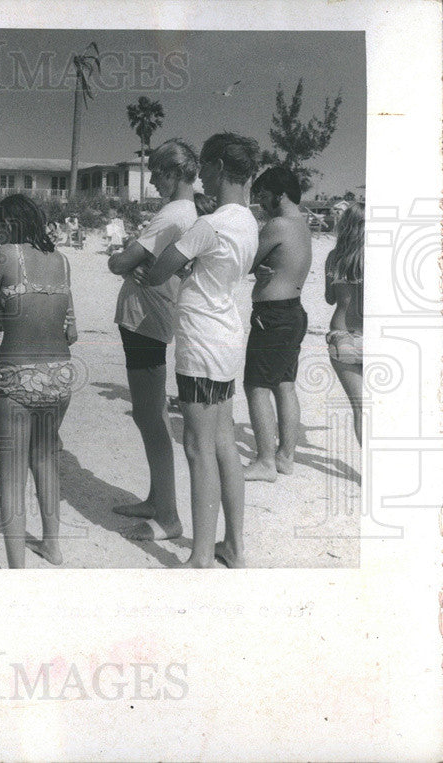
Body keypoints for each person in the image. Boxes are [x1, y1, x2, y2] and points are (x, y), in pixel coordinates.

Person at [138, 133, 260, 568]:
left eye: (206, 166)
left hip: (203, 338)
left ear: (222, 168)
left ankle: (202, 556)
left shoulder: (213, 223)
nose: (201, 175)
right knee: (224, 443)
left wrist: (175, 260)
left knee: (197, 447)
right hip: (227, 332)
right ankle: (234, 547)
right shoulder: (245, 220)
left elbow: (157, 271)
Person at [107, 139, 200, 541]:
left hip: (146, 319)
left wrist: (127, 257)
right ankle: (156, 499)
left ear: (175, 173)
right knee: (152, 413)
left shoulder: (173, 213)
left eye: (158, 174)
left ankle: (168, 516)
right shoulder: (188, 212)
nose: (153, 182)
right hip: (153, 316)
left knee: (150, 417)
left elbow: (120, 261)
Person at [0, 194, 77, 568]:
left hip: (17, 372)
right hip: (60, 373)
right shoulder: (63, 261)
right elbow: (72, 331)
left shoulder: (6, 255)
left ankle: (17, 568)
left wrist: (5, 316)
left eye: (1, 223)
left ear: (12, 223)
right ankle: (52, 545)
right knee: (46, 458)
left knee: (12, 473)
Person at [243, 167, 313, 481]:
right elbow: (270, 263)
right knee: (284, 386)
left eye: (263, 196)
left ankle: (265, 462)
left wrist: (253, 269)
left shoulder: (277, 225)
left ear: (279, 195)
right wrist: (258, 270)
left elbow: (243, 261)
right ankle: (285, 456)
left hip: (273, 316)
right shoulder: (302, 225)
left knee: (256, 386)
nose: (260, 202)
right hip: (293, 313)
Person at [325, 202, 364, 444]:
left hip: (342, 337)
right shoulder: (375, 255)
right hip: (371, 334)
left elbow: (329, 298)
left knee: (361, 408)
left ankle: (367, 471)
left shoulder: (333, 257)